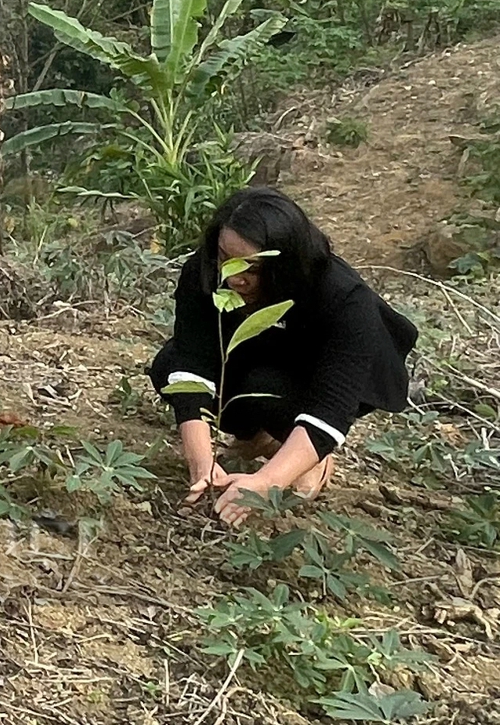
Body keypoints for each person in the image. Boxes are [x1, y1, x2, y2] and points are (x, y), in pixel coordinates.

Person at [151, 187, 417, 526]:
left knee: (266, 388)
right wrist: (201, 466)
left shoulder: (345, 299)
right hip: (261, 352)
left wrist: (264, 483)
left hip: (317, 377)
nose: (234, 277)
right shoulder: (203, 273)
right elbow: (191, 364)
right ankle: (262, 438)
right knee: (167, 366)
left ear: (285, 263)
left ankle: (309, 459)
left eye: (252, 268)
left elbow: (331, 410)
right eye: (224, 257)